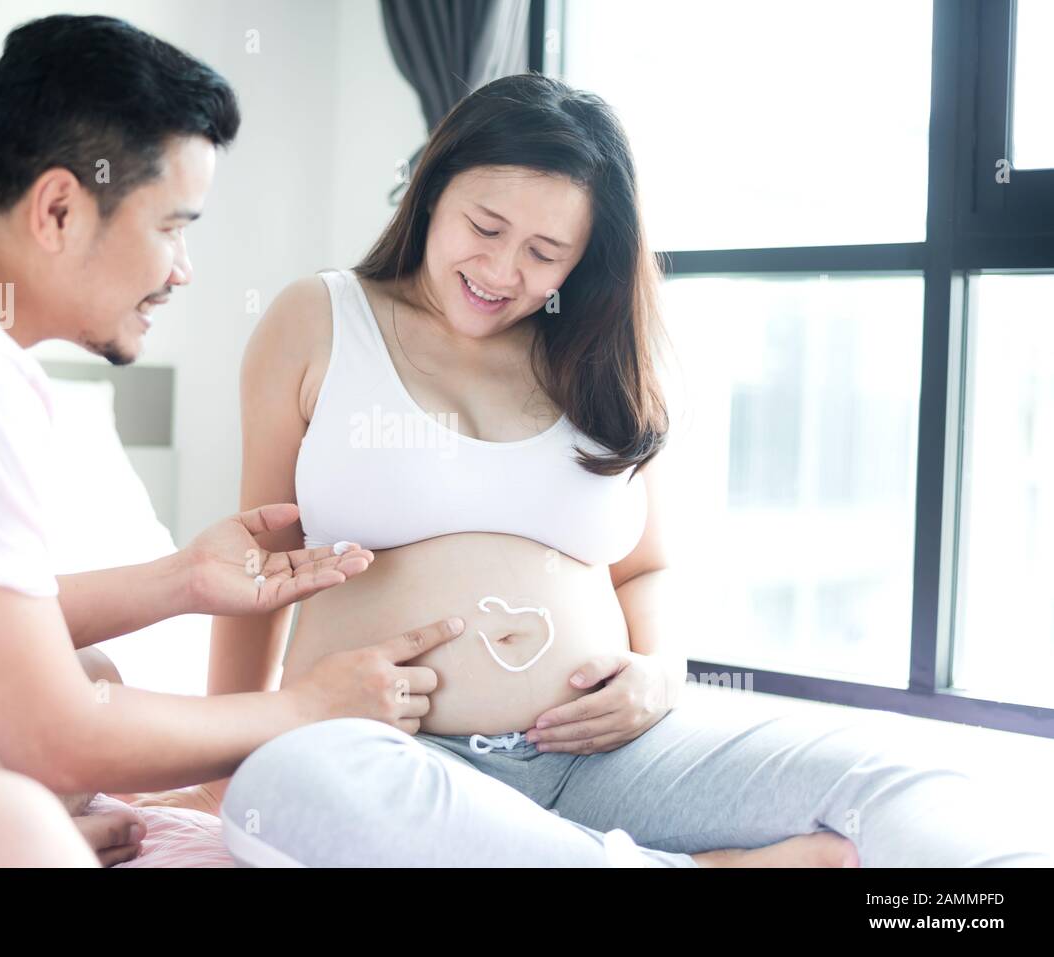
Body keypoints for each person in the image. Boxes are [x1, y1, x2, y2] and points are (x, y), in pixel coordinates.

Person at [187, 73, 1051, 867]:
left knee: (912, 785)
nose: (501, 271)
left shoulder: (596, 358)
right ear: (432, 190)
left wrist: (659, 672)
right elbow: (255, 565)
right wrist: (227, 749)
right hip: (387, 748)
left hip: (608, 756)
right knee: (289, 788)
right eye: (485, 228)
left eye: (544, 252)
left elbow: (648, 566)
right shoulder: (320, 319)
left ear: (586, 256)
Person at [0, 14, 464, 868]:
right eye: (173, 226)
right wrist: (310, 705)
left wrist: (182, 581)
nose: (183, 268)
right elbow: (54, 734)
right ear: (58, 206)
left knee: (89, 676)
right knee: (15, 821)